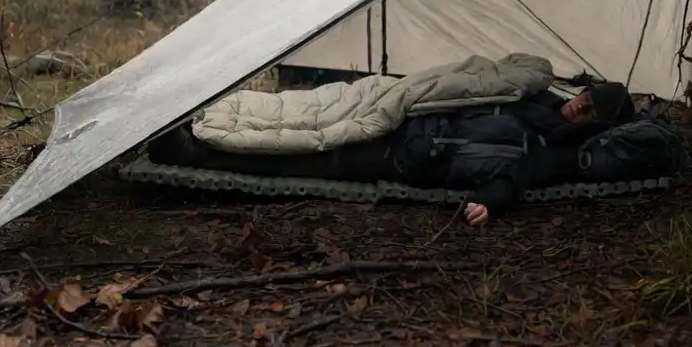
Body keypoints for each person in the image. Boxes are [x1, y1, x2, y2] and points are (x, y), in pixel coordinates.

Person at [147, 81, 639, 225]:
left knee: (311, 153)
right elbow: (481, 78)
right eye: (585, 96)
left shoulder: (552, 149)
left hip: (407, 158)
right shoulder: (537, 100)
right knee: (311, 110)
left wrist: (491, 200)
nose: (578, 106)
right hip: (408, 113)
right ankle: (214, 110)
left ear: (597, 126)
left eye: (589, 110)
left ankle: (192, 151)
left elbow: (523, 176)